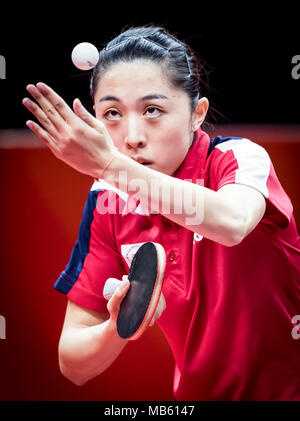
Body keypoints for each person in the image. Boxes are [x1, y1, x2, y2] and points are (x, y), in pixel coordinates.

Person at [22, 25, 300, 401]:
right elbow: (72, 362)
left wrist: (110, 165)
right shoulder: (109, 199)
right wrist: (123, 322)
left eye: (152, 110)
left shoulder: (238, 159)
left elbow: (233, 223)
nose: (132, 135)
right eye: (112, 113)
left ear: (196, 114)